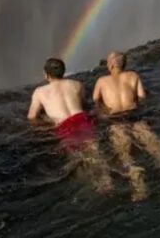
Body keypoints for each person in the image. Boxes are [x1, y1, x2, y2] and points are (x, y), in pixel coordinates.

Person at [92, 51, 160, 200]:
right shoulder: (133, 76)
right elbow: (142, 97)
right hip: (135, 116)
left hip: (115, 120)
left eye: (108, 62)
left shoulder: (101, 81)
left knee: (125, 155)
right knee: (157, 149)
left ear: (112, 64)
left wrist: (102, 113)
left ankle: (138, 185)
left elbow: (96, 102)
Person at [27, 57, 110, 191]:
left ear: (46, 75)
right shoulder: (77, 84)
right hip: (82, 119)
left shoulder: (40, 92)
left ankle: (94, 187)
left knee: (77, 157)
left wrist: (44, 122)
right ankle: (107, 181)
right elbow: (83, 103)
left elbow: (31, 117)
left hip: (64, 126)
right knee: (95, 151)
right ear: (64, 72)